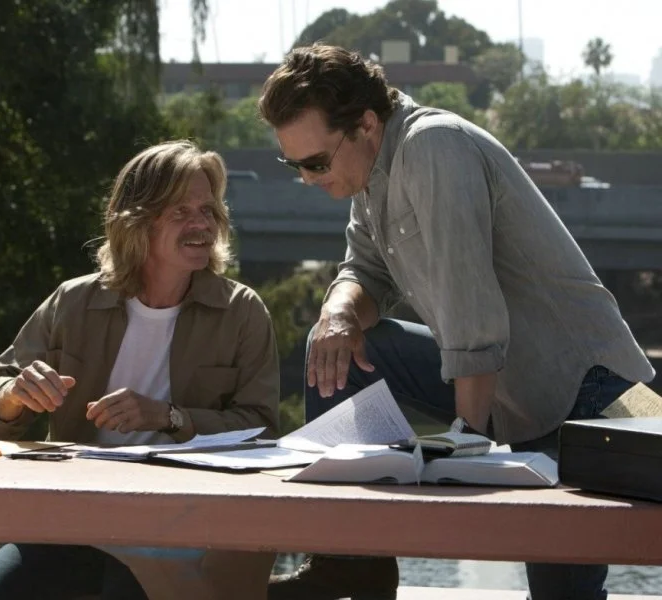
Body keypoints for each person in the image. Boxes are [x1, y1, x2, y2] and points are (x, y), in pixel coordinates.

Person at [258, 43, 655, 600]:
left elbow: (470, 305)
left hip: (588, 395)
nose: (306, 179)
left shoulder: (433, 147)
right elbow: (365, 270)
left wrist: (464, 445)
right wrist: (340, 310)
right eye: (294, 165)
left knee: (565, 595)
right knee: (338, 344)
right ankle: (349, 559)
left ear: (366, 124)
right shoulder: (370, 172)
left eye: (316, 163)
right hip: (505, 389)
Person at [0, 140, 280, 600]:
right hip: (70, 516)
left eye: (208, 210)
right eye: (182, 211)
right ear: (137, 221)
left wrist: (168, 416)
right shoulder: (73, 300)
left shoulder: (242, 311)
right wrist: (16, 395)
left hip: (181, 525)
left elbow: (262, 431)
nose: (202, 224)